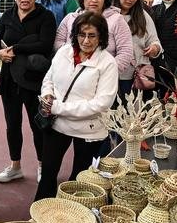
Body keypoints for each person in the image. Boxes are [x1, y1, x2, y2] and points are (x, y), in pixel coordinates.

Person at [35, 12, 119, 200]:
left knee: (79, 179)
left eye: (92, 36)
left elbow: (101, 103)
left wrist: (57, 108)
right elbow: (49, 78)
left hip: (88, 131)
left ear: (101, 37)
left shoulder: (108, 63)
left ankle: (72, 218)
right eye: (82, 34)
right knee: (48, 174)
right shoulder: (64, 51)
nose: (86, 41)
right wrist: (48, 94)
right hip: (56, 124)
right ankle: (39, 214)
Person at [0, 0, 57, 184]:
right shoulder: (8, 15)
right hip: (9, 77)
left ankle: (41, 164)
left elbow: (45, 45)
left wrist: (16, 48)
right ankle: (15, 166)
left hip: (33, 80)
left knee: (37, 125)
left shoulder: (45, 16)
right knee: (12, 125)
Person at [54, 0, 134, 78]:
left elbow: (125, 51)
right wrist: (70, 62)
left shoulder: (117, 20)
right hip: (70, 75)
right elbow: (58, 43)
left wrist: (107, 73)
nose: (94, 0)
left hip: (103, 78)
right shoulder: (70, 18)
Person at [113, 0, 162, 96]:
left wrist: (154, 48)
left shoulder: (143, 16)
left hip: (136, 77)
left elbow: (155, 41)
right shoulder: (108, 15)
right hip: (110, 75)